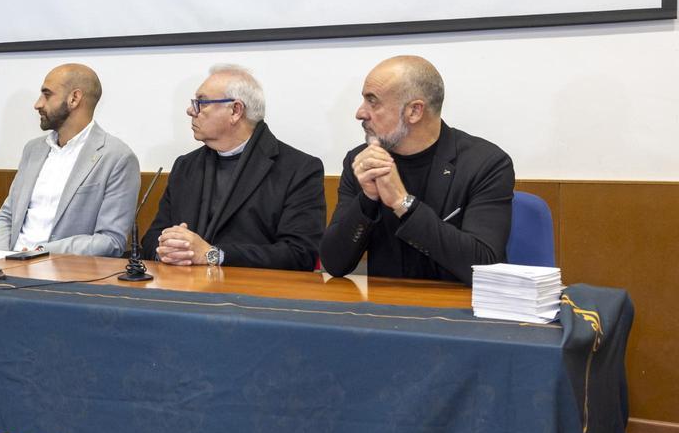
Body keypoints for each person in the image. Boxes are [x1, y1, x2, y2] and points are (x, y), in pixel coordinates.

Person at [319, 55, 514, 284]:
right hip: (384, 304)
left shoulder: (485, 164)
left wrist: (402, 203)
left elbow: (484, 266)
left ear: (414, 111)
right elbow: (335, 264)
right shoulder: (363, 162)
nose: (360, 113)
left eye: (373, 101)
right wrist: (367, 199)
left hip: (458, 303)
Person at [143, 65, 324, 269]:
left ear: (236, 111)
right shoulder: (185, 166)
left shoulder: (299, 169)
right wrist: (166, 250)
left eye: (201, 102)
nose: (190, 111)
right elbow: (151, 238)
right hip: (183, 285)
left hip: (255, 288)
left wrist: (214, 255)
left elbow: (300, 254)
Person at [0, 64, 140, 256]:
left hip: (61, 268)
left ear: (74, 98)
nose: (38, 104)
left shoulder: (117, 157)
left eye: (47, 95)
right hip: (9, 264)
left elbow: (111, 241)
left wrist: (40, 252)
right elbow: (7, 215)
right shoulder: (33, 150)